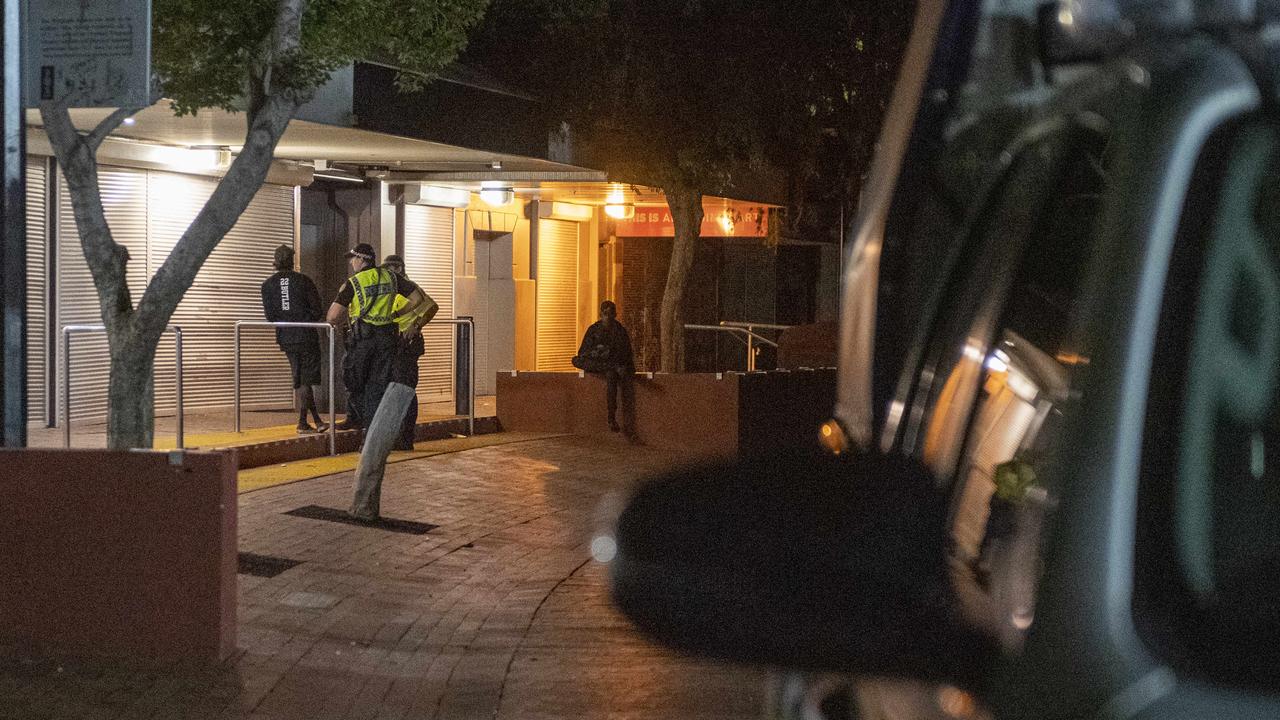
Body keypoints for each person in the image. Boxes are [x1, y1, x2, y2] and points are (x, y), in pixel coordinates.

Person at [326, 242, 430, 430]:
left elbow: (332, 316)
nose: (351, 263)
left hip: (363, 342)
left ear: (361, 260)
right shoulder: (392, 278)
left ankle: (361, 423)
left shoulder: (354, 282)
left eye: (353, 259)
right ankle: (371, 434)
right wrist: (395, 315)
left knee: (355, 382)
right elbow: (417, 299)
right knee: (377, 387)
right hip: (387, 340)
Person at [260, 244, 328, 434]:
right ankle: (305, 422)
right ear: (292, 261)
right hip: (306, 335)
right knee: (306, 380)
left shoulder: (267, 285)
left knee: (300, 379)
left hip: (286, 337)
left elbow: (270, 316)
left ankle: (312, 421)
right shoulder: (304, 281)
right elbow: (317, 310)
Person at [382, 254, 438, 450]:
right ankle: (396, 435)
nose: (388, 272)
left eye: (391, 268)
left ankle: (406, 438)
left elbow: (432, 306)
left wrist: (416, 325)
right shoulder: (390, 289)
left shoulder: (409, 287)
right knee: (393, 390)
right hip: (392, 344)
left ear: (399, 269)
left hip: (407, 345)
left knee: (405, 390)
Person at [574, 300, 636, 435]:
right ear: (601, 314)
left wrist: (621, 365)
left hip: (611, 366)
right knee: (576, 360)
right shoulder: (594, 330)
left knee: (611, 373)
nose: (608, 317)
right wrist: (597, 353)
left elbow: (625, 355)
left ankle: (611, 417)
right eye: (605, 314)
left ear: (615, 315)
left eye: (611, 314)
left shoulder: (619, 332)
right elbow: (583, 354)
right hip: (597, 363)